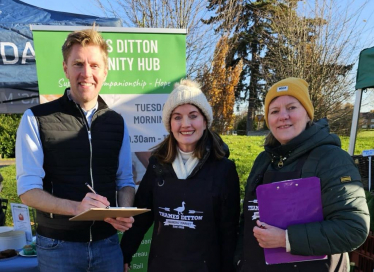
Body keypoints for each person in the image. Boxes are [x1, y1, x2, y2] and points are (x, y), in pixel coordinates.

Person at [16, 27, 135, 272]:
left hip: (108, 244)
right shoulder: (36, 118)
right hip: (59, 248)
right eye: (78, 64)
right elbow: (28, 191)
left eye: (94, 65)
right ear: (65, 68)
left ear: (105, 71)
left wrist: (123, 210)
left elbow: (125, 182)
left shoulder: (116, 122)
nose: (86, 73)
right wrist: (77, 209)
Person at [235, 77, 369, 272]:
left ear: (307, 114)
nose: (283, 116)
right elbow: (247, 219)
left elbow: (353, 229)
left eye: (291, 108)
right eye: (274, 111)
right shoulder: (263, 160)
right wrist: (240, 261)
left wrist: (285, 239)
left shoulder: (331, 159)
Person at [120, 79, 240, 272]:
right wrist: (125, 254)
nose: (185, 124)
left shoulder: (223, 170)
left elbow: (229, 231)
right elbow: (141, 217)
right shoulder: (156, 165)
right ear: (169, 123)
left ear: (204, 121)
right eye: (177, 117)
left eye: (193, 116)